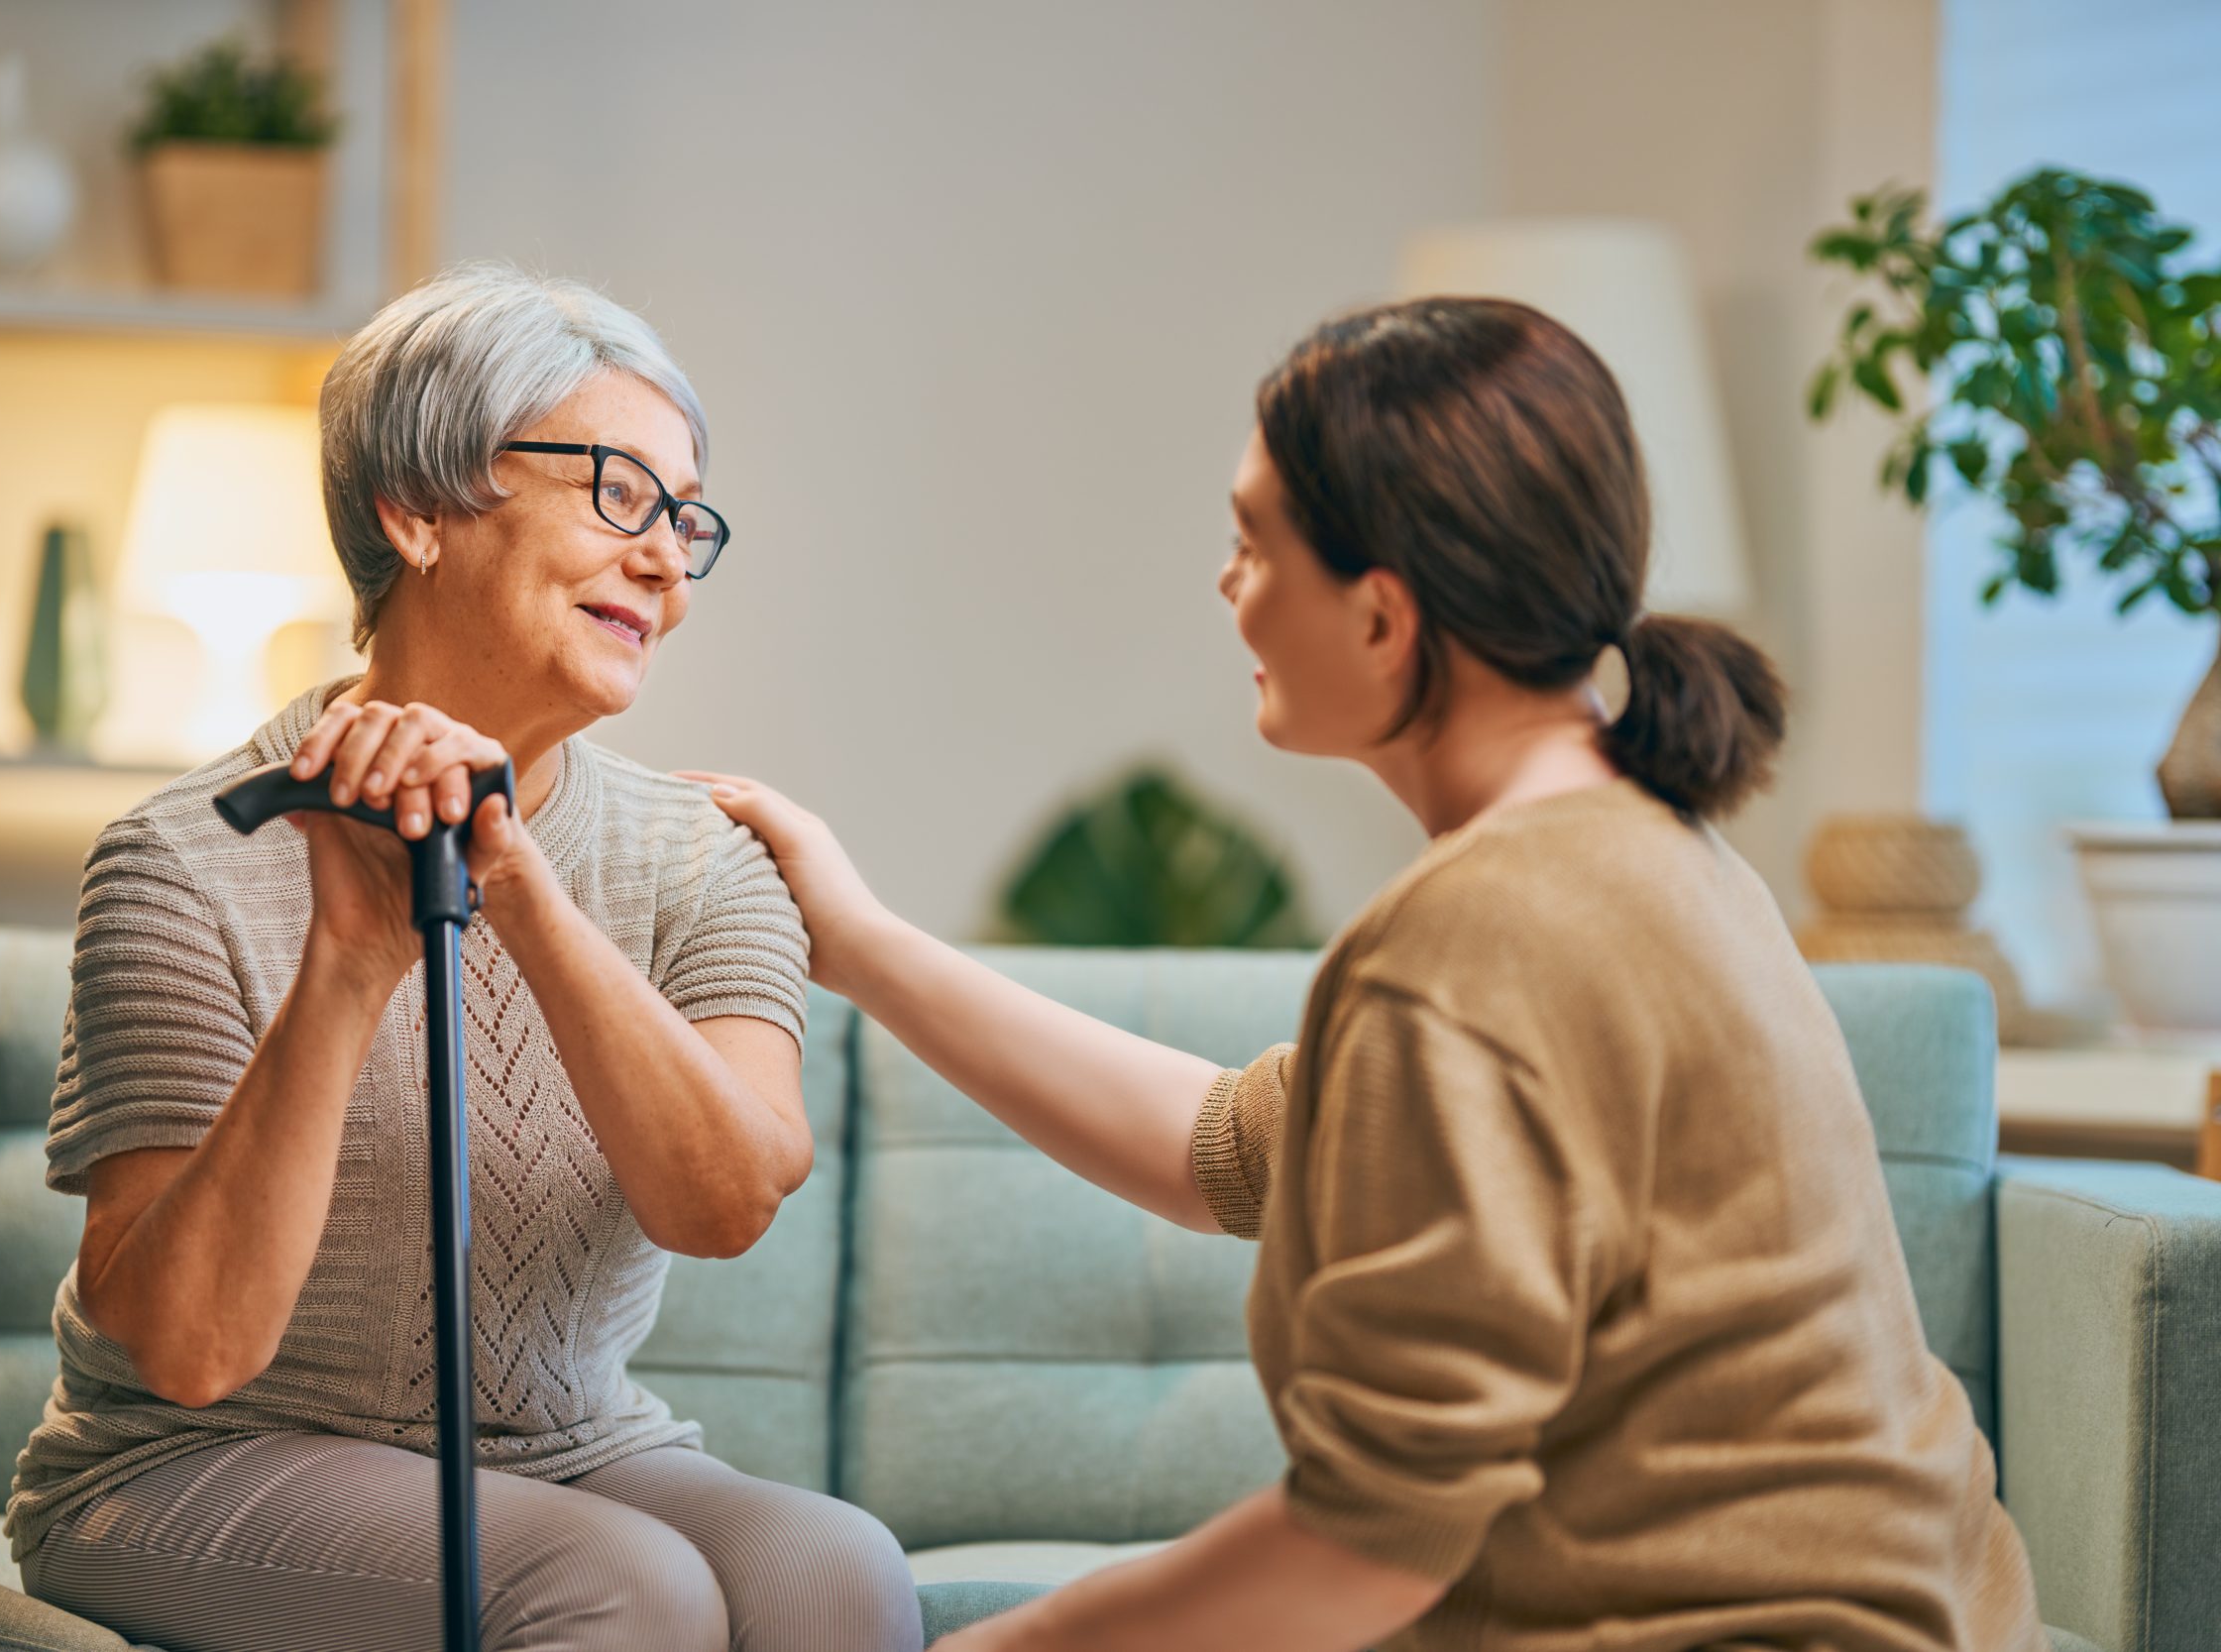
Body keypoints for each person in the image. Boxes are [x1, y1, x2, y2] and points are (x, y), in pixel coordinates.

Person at [686, 297, 2049, 1652]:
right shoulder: (1651, 856)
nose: (1229, 586)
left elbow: (1365, 1547)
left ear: (1385, 617)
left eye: (1250, 543)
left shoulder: (1481, 937)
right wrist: (858, 941)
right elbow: (1223, 1145)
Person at [3, 263, 922, 1652]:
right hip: (194, 1465)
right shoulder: (180, 859)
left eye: (685, 519)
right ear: (417, 508)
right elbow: (189, 1352)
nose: (667, 559)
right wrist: (350, 959)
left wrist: (523, 889)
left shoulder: (701, 857)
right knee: (623, 1587)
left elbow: (725, 1200)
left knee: (838, 1571)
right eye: (618, 492)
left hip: (568, 1448)